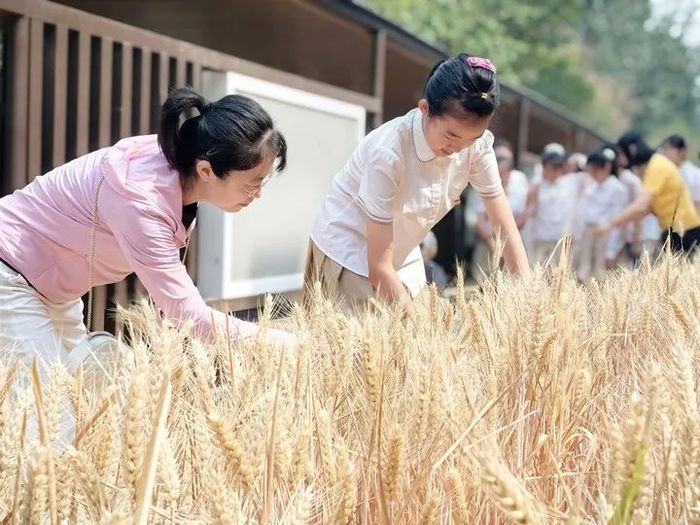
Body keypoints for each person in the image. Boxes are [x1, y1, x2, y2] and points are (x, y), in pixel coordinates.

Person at [0, 87, 296, 372]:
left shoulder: (176, 174)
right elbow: (189, 316)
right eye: (252, 183)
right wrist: (286, 343)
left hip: (52, 289)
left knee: (87, 394)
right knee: (50, 414)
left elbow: (173, 311)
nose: (257, 194)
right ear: (206, 170)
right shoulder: (142, 203)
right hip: (11, 274)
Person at [305, 54, 529, 312]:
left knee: (426, 326)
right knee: (369, 344)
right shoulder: (389, 153)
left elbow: (506, 229)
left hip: (403, 246)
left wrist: (526, 299)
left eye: (472, 138)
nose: (458, 148)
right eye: (451, 135)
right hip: (351, 247)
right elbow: (378, 267)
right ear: (425, 109)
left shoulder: (478, 147)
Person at [595, 131, 700, 254]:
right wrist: (617, 223)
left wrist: (610, 224)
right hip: (673, 230)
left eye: (621, 153)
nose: (619, 159)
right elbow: (647, 209)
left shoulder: (657, 166)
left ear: (631, 150)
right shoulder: (654, 165)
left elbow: (641, 204)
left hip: (685, 231)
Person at [469, 141, 529, 280]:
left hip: (514, 241)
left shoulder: (520, 180)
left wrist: (510, 237)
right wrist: (491, 240)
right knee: (484, 282)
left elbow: (524, 212)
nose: (503, 175)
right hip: (488, 242)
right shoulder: (482, 179)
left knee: (512, 282)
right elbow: (475, 218)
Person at [574, 147, 626, 281]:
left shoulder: (617, 188)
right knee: (583, 272)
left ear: (606, 168)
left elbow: (618, 221)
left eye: (595, 169)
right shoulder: (591, 187)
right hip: (588, 232)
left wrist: (611, 251)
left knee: (600, 275)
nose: (592, 173)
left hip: (604, 234)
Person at [526, 149, 582, 266]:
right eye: (552, 166)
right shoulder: (537, 185)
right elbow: (530, 210)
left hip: (561, 240)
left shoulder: (570, 182)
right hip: (541, 239)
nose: (556, 170)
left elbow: (584, 164)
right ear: (544, 167)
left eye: (558, 166)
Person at [659, 134, 700, 216]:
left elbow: (697, 204)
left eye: (668, 149)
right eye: (663, 149)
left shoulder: (693, 175)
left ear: (682, 151)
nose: (665, 153)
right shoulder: (662, 174)